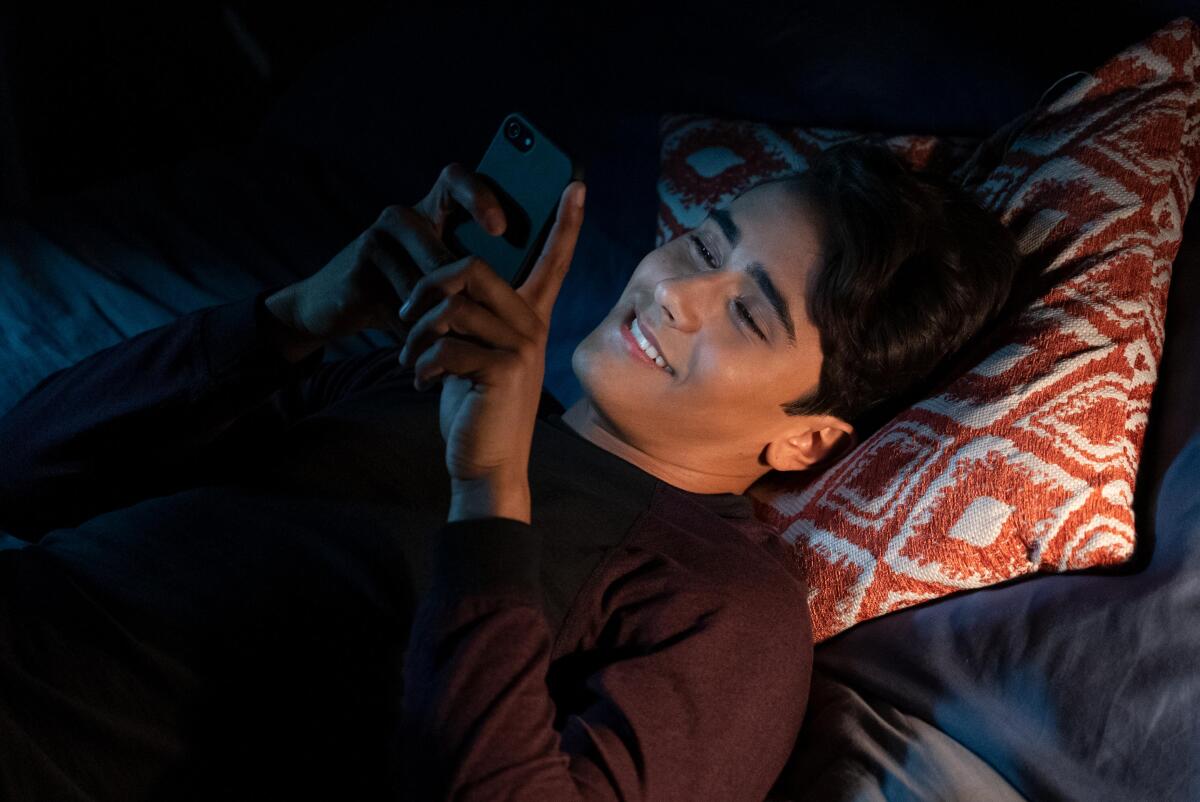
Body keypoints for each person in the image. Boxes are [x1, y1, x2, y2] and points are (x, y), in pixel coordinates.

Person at [0, 141, 1021, 800]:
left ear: (804, 440)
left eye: (747, 311)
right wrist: (295, 317)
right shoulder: (421, 371)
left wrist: (487, 491)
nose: (676, 292)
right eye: (700, 244)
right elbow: (30, 469)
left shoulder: (727, 607)